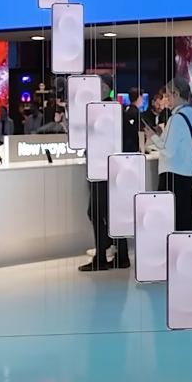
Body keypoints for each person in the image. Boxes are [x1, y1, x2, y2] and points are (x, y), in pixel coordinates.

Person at [80, 74, 130, 272]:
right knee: (109, 212)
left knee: (98, 211)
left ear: (106, 88)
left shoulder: (106, 110)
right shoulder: (112, 109)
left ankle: (103, 254)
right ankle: (119, 254)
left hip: (104, 168)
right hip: (110, 167)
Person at [142, 77, 192, 231]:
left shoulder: (176, 118)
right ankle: (186, 243)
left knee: (172, 217)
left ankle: (173, 244)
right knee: (184, 214)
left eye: (167, 95)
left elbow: (168, 150)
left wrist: (153, 137)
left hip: (175, 174)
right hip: (189, 172)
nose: (165, 99)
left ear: (176, 94)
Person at [122, 88, 143, 153]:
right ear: (139, 98)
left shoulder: (124, 110)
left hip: (123, 144)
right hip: (133, 146)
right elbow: (139, 129)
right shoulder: (136, 112)